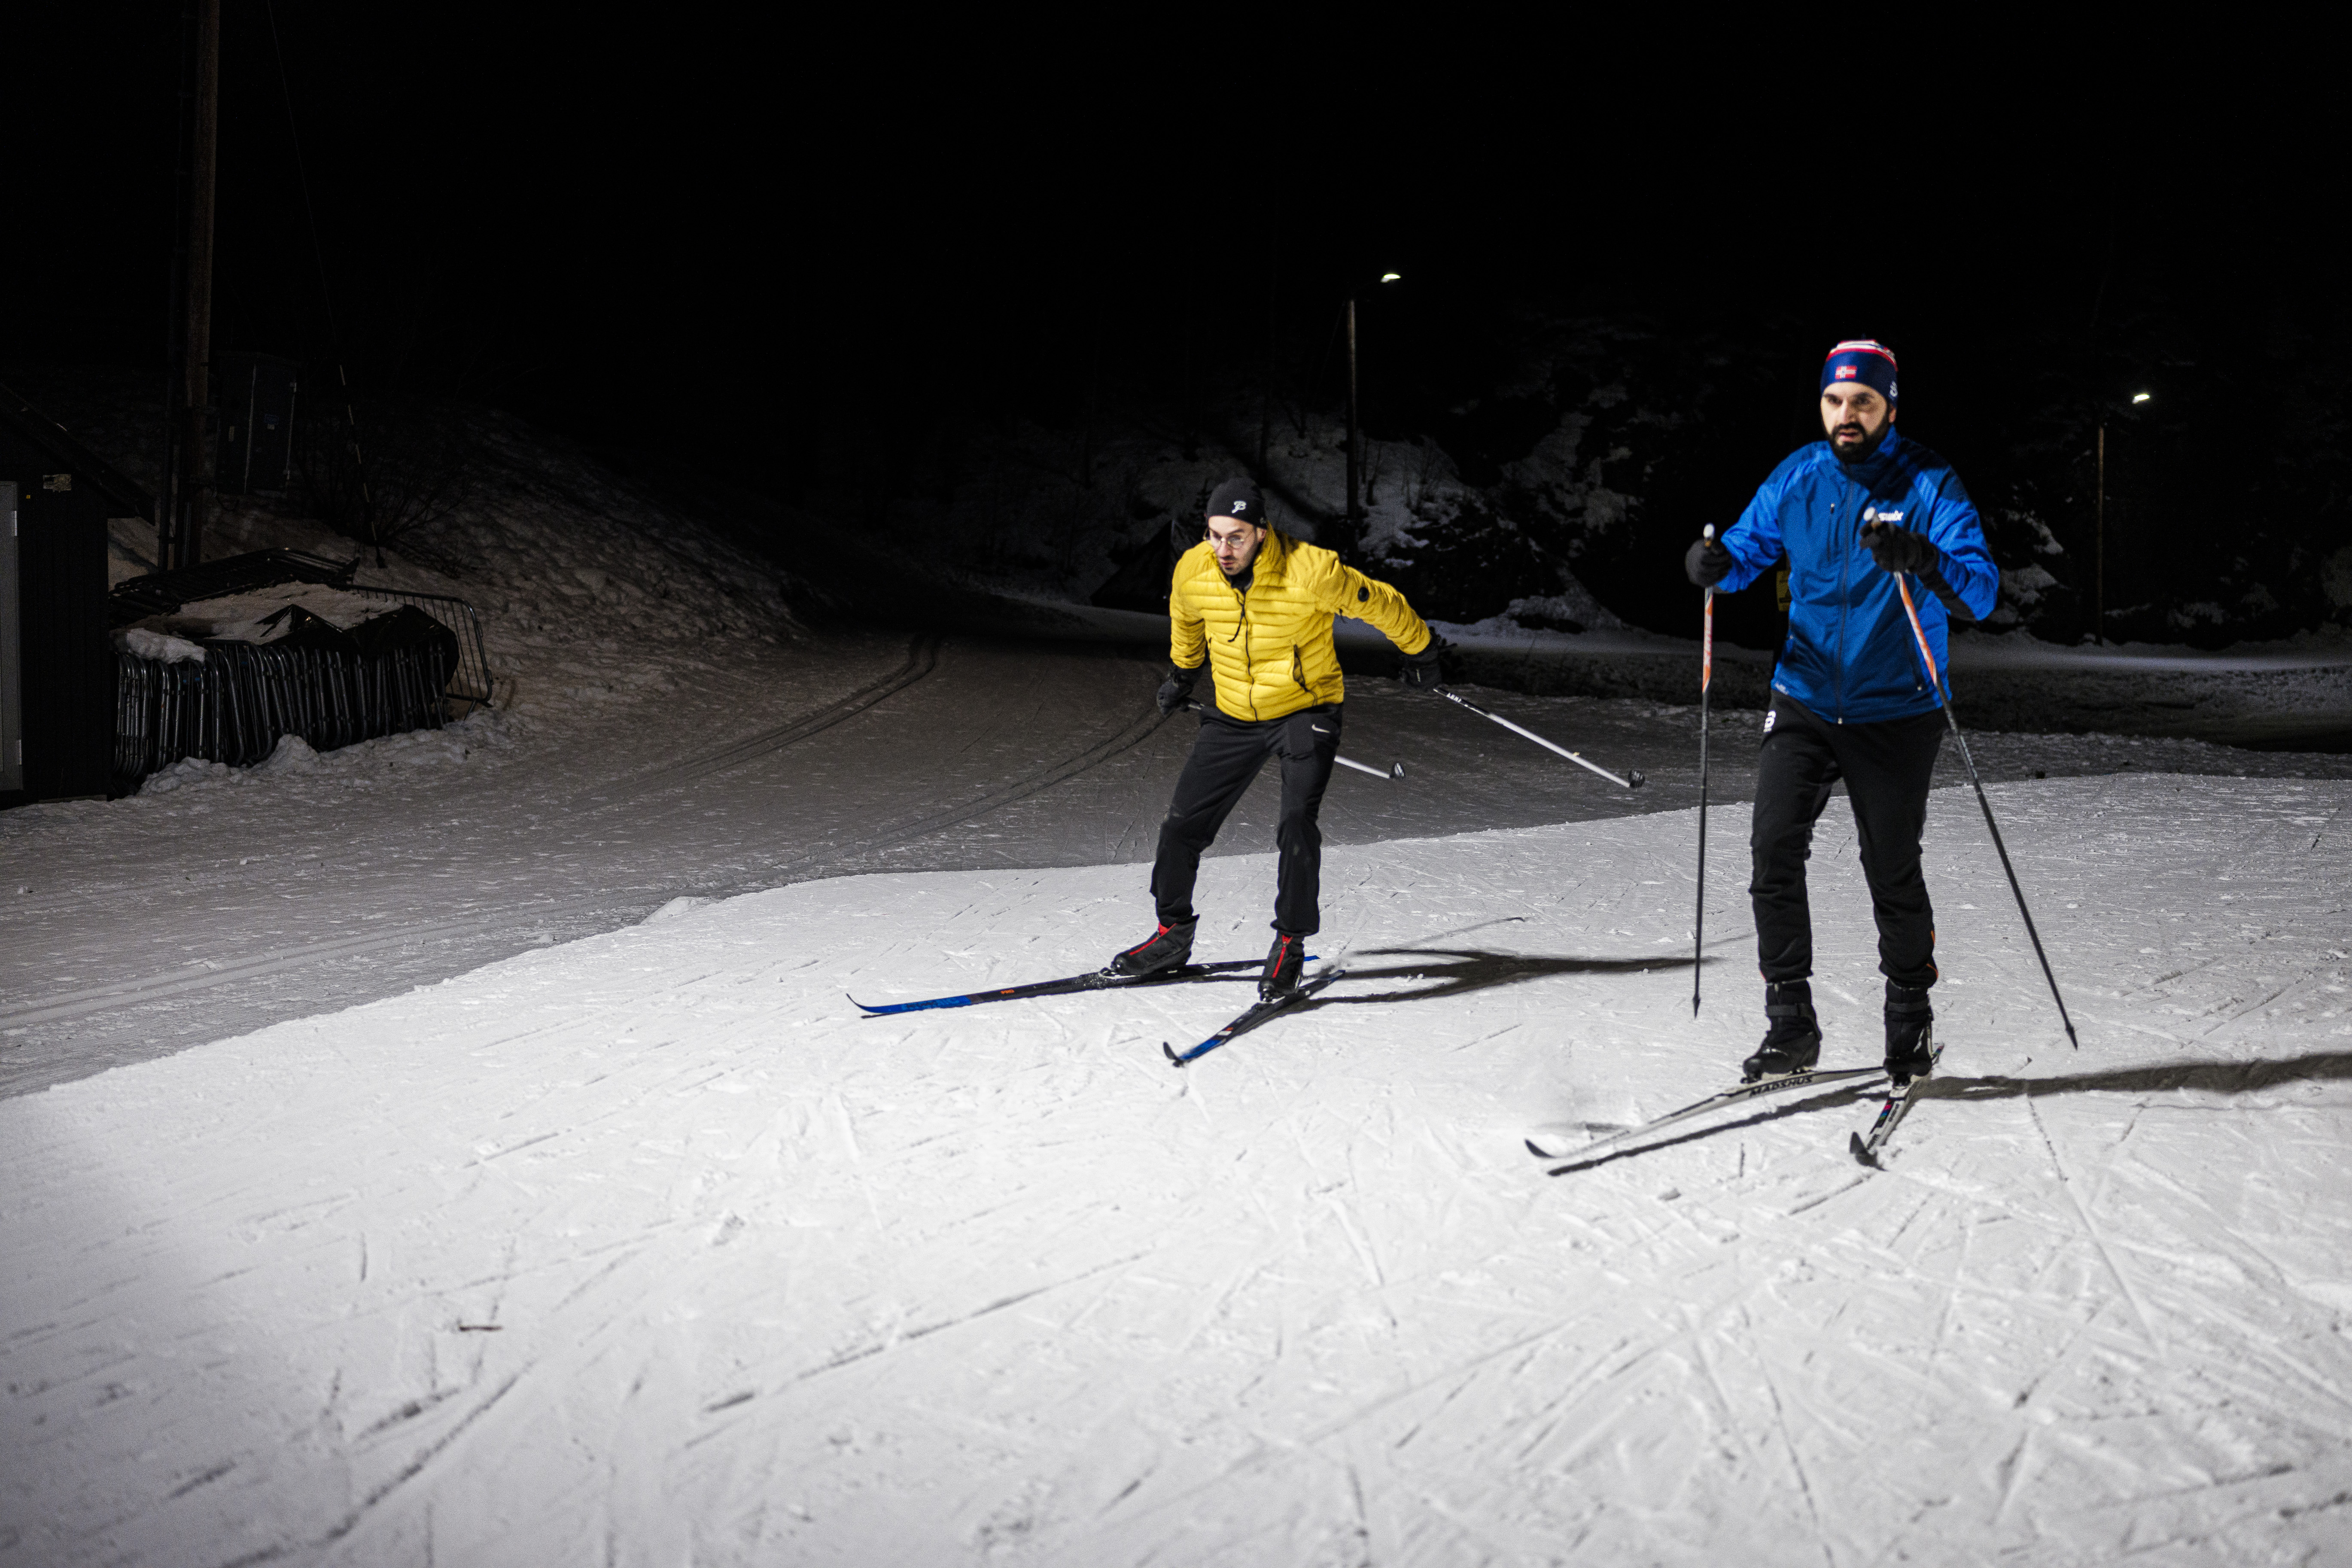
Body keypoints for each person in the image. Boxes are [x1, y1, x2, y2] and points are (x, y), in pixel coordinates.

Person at [1685, 340, 1998, 1084]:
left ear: (1890, 405)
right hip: (1804, 696)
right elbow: (1743, 549)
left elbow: (1980, 592)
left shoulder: (1928, 479)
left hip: (1897, 707)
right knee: (1771, 851)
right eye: (1834, 400)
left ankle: (1909, 1021)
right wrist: (1712, 566)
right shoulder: (1797, 475)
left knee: (1889, 868)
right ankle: (1790, 1022)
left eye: (1861, 401)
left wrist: (1921, 556)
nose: (1845, 415)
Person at [1112, 478, 1443, 999]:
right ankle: (1171, 935)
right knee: (1181, 826)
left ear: (1262, 533)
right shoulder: (1193, 569)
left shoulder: (1311, 571)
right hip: (1233, 713)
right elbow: (1186, 620)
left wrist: (1419, 649)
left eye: (1236, 537)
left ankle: (1289, 942)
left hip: (1304, 709)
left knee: (1295, 823)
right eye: (1215, 535)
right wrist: (1181, 675)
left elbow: (1377, 602)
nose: (1223, 549)